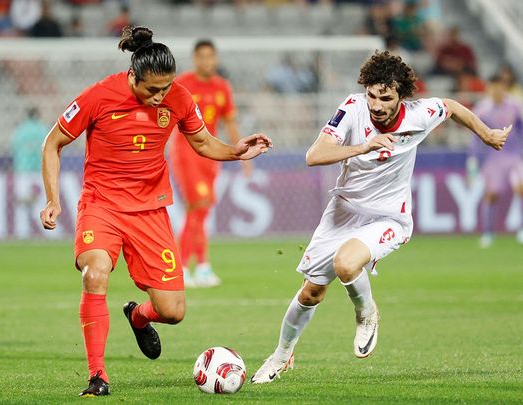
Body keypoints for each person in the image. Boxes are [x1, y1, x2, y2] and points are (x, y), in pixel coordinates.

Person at [250, 51, 510, 384]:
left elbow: (452, 106)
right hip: (344, 211)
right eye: (372, 95)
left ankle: (367, 314)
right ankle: (281, 356)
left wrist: (486, 134)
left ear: (403, 96)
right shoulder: (353, 109)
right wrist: (363, 147)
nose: (376, 104)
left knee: (347, 264)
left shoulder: (421, 114)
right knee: (310, 293)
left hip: (389, 217)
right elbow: (314, 156)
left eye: (385, 98)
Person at [39, 26, 272, 397]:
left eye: (166, 88)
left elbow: (202, 141)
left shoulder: (178, 97)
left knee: (173, 311)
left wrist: (236, 151)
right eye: (152, 90)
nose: (160, 96)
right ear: (133, 76)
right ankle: (97, 376)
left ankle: (137, 315)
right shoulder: (99, 96)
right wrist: (53, 199)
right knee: (95, 273)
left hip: (150, 211)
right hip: (102, 206)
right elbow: (52, 143)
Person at [169, 39, 251, 288]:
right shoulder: (182, 83)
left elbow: (230, 123)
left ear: (215, 58)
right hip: (186, 152)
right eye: (201, 57)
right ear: (195, 59)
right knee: (199, 205)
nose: (206, 61)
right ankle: (183, 266)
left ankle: (200, 266)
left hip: (210, 155)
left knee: (200, 211)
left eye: (210, 56)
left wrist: (242, 154)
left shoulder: (222, 87)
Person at [467, 74, 523, 247]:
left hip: (514, 156)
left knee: (520, 188)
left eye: (500, 86)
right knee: (491, 195)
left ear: (504, 87)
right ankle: (488, 233)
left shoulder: (515, 106)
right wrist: (473, 162)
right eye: (493, 86)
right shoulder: (482, 109)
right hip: (494, 158)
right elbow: (475, 138)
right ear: (489, 88)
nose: (497, 90)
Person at [11, 106, 48, 238]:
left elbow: (13, 147)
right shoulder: (42, 128)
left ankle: (22, 231)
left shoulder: (20, 130)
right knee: (45, 200)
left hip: (22, 168)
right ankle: (48, 230)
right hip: (40, 168)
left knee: (22, 201)